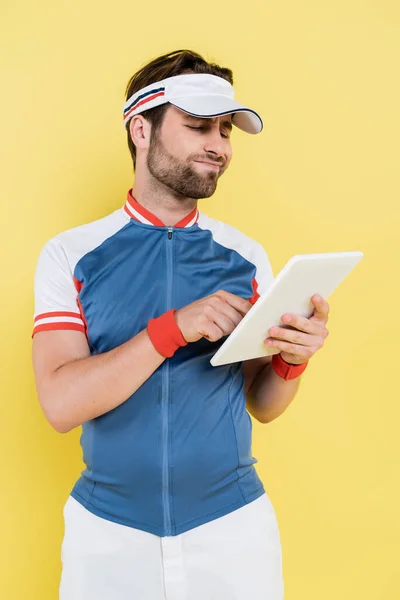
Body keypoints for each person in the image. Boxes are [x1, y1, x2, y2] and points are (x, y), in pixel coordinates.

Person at [32, 49, 330, 600]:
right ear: (141, 130)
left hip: (232, 530)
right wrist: (170, 330)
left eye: (224, 130)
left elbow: (261, 404)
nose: (218, 145)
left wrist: (291, 361)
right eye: (198, 127)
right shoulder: (70, 254)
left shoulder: (245, 256)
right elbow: (59, 404)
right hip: (108, 535)